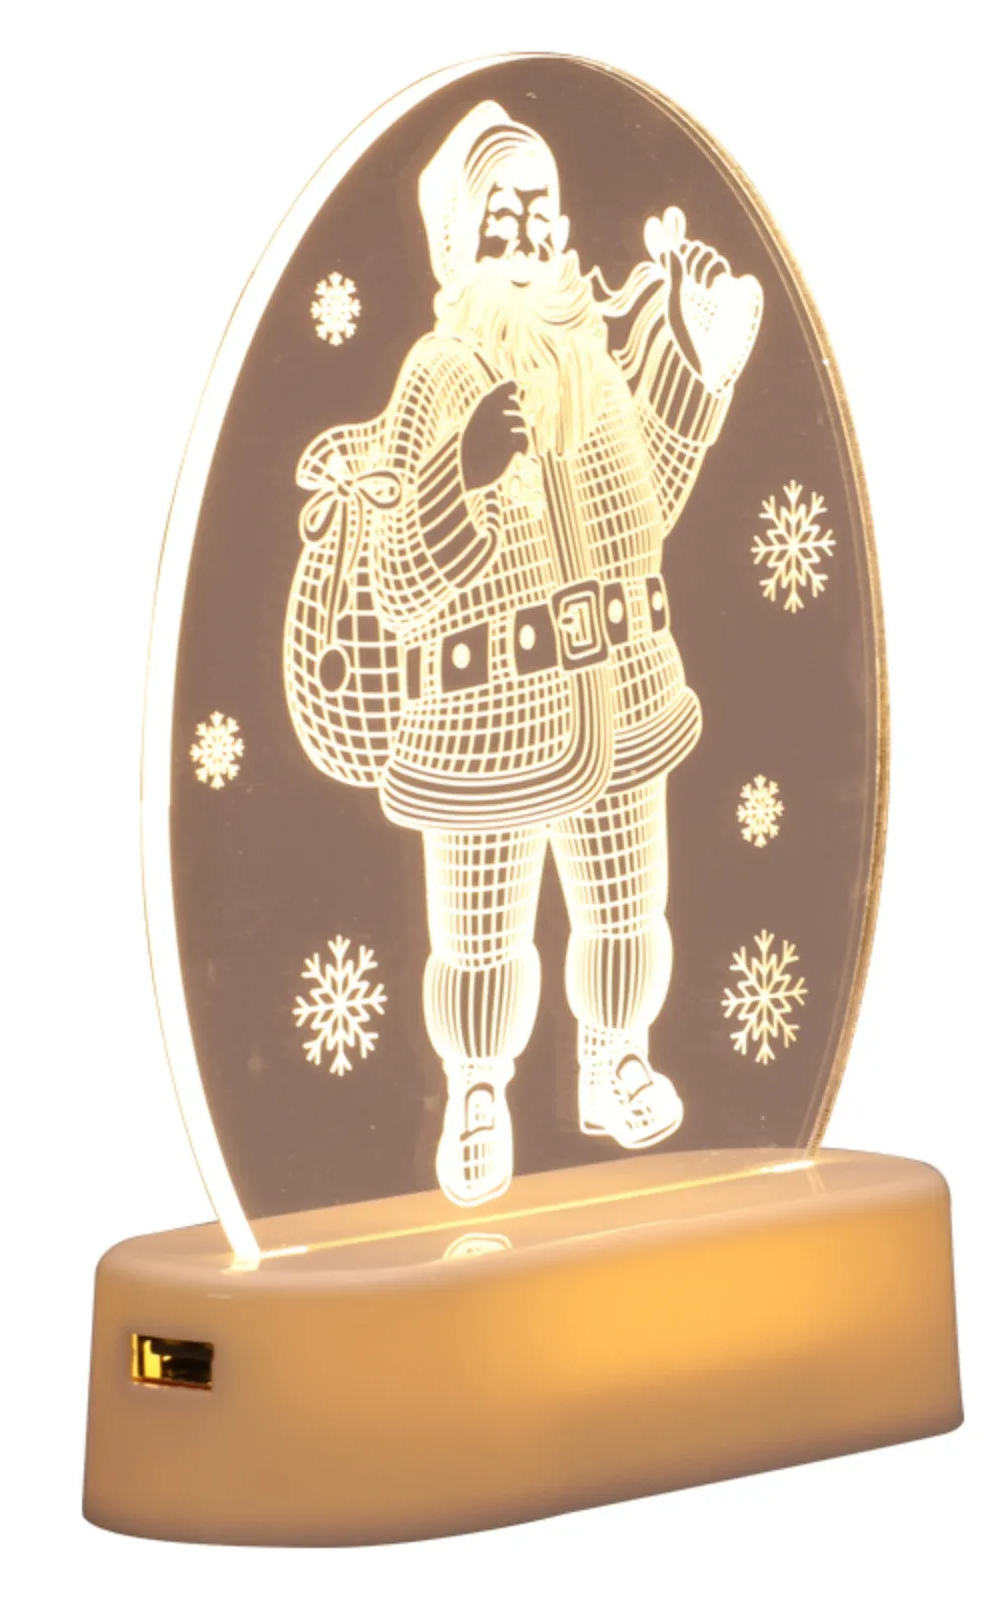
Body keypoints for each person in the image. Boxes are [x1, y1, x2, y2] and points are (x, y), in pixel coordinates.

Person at [294, 101, 761, 1204]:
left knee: (626, 906)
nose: (530, 235)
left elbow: (645, 514)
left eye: (542, 210)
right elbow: (402, 583)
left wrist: (705, 371)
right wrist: (462, 473)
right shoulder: (435, 377)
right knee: (480, 938)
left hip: (622, 692)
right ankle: (476, 1090)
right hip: (483, 716)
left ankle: (614, 1059)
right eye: (501, 216)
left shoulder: (589, 363)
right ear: (460, 244)